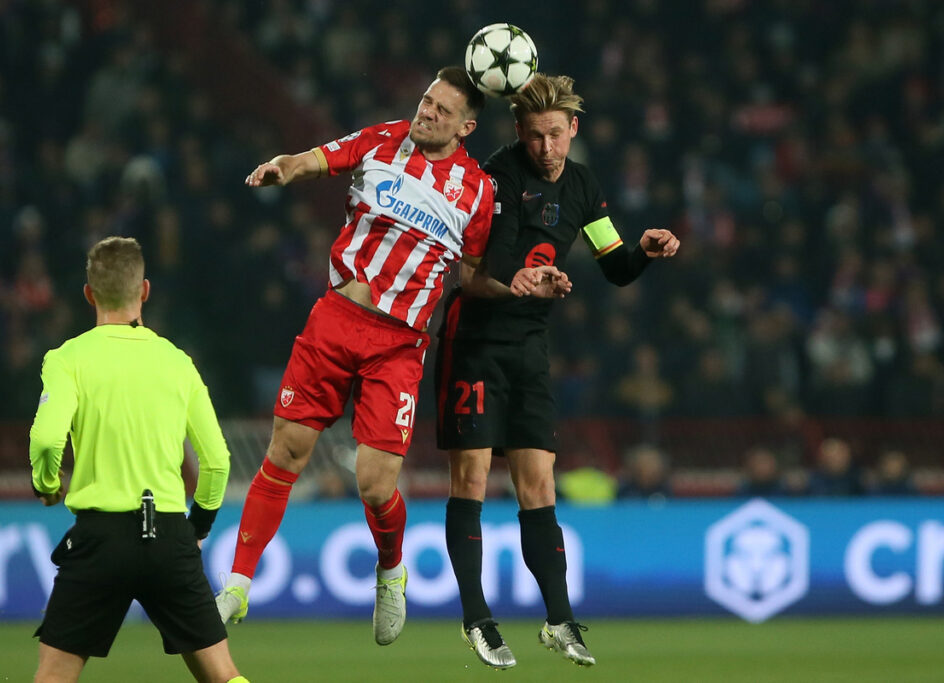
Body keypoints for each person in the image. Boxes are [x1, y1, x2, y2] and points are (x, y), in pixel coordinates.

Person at [214, 66, 559, 645]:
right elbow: (317, 158)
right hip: (335, 321)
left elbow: (472, 277)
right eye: (426, 102)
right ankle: (237, 584)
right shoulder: (383, 140)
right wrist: (284, 167)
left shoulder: (476, 193)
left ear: (466, 127)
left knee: (375, 485)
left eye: (441, 111)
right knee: (285, 454)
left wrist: (518, 283)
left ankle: (391, 568)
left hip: (400, 345)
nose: (426, 114)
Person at [434, 73, 679, 670]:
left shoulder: (585, 187)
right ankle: (477, 619)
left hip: (529, 348)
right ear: (519, 131)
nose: (546, 148)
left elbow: (614, 265)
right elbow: (472, 264)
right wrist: (515, 279)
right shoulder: (494, 177)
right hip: (474, 342)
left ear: (573, 129)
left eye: (555, 135)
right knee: (471, 477)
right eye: (535, 135)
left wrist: (643, 252)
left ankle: (559, 619)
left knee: (539, 485)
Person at [29, 237, 246, 683]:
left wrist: (47, 483)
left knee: (53, 678)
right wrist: (197, 529)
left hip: (99, 538)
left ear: (88, 294)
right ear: (144, 291)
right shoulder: (177, 361)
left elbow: (48, 437)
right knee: (222, 676)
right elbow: (218, 461)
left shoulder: (67, 358)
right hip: (168, 534)